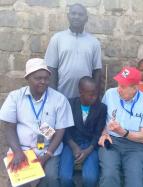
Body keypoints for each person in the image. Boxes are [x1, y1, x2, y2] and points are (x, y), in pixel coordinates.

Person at [0, 58, 74, 187]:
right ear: (28, 78)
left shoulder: (59, 100)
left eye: (46, 78)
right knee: (19, 180)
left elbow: (60, 131)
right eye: (38, 78)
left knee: (50, 178)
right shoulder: (15, 97)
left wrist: (46, 156)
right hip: (22, 148)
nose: (43, 82)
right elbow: (9, 127)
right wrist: (17, 152)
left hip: (49, 150)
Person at [98, 66, 143, 187]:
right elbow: (101, 119)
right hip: (112, 142)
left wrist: (123, 132)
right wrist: (103, 133)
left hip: (135, 147)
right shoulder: (110, 94)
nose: (119, 89)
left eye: (123, 86)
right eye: (118, 84)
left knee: (135, 182)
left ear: (135, 88)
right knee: (109, 176)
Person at [44, 3, 102, 99]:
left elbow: (97, 72)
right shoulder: (57, 38)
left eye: (80, 14)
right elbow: (51, 69)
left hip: (85, 98)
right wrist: (53, 95)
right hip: (61, 96)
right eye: (73, 13)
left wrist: (94, 96)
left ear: (86, 18)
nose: (76, 17)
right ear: (68, 16)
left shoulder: (94, 42)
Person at [59, 76, 107, 187]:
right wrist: (74, 146)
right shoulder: (69, 104)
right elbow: (64, 130)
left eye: (96, 94)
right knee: (64, 178)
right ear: (81, 92)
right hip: (71, 143)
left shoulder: (101, 108)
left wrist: (88, 150)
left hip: (90, 145)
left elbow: (98, 133)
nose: (94, 97)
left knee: (91, 178)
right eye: (91, 94)